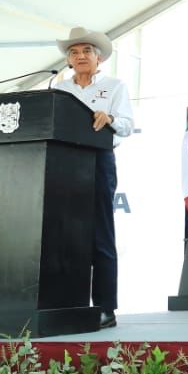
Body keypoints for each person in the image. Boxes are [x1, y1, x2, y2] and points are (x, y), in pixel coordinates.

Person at [53, 27, 134, 330]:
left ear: (99, 58)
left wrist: (110, 119)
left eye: (87, 50)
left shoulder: (115, 86)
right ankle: (64, 304)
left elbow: (127, 125)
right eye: (74, 52)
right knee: (63, 235)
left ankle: (104, 307)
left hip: (98, 161)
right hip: (62, 164)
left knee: (100, 234)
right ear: (68, 60)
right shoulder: (60, 89)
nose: (80, 56)